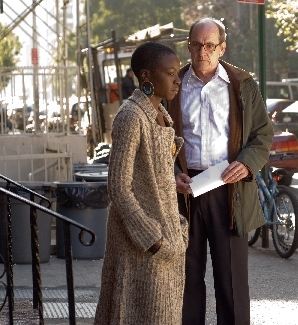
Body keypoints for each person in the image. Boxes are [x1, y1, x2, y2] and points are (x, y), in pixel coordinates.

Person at [166, 17, 273, 325]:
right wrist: (171, 173)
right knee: (186, 279)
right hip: (185, 192)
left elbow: (263, 135)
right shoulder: (173, 85)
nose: (203, 51)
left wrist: (247, 163)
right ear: (188, 46)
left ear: (222, 48)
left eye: (210, 45)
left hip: (230, 192)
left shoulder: (243, 84)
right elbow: (158, 139)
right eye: (196, 44)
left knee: (231, 282)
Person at [94, 42, 188, 325]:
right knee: (137, 314)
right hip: (142, 245)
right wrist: (152, 238)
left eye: (177, 73)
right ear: (146, 76)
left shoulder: (162, 114)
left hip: (167, 240)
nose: (177, 79)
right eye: (170, 73)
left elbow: (147, 174)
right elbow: (119, 186)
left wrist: (172, 182)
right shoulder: (131, 116)